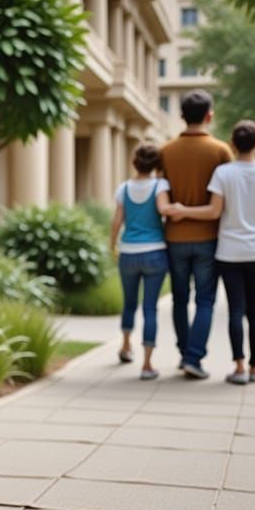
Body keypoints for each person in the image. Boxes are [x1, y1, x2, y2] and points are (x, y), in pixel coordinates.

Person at [165, 119, 255, 384]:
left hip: (229, 252)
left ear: (232, 144)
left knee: (235, 311)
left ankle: (239, 368)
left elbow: (214, 211)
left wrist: (182, 211)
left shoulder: (223, 173)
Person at [160, 90, 233, 379]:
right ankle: (194, 357)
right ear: (209, 116)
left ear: (181, 115)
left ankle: (184, 354)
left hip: (174, 237)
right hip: (208, 237)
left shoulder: (165, 151)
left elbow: (160, 193)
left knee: (179, 298)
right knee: (205, 300)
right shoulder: (220, 151)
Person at [109, 143, 172, 380]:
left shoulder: (123, 188)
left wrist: (112, 245)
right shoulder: (160, 186)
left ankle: (126, 346)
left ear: (135, 162)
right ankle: (147, 364)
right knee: (150, 308)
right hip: (155, 251)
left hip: (129, 252)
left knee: (129, 303)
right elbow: (165, 211)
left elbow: (116, 222)